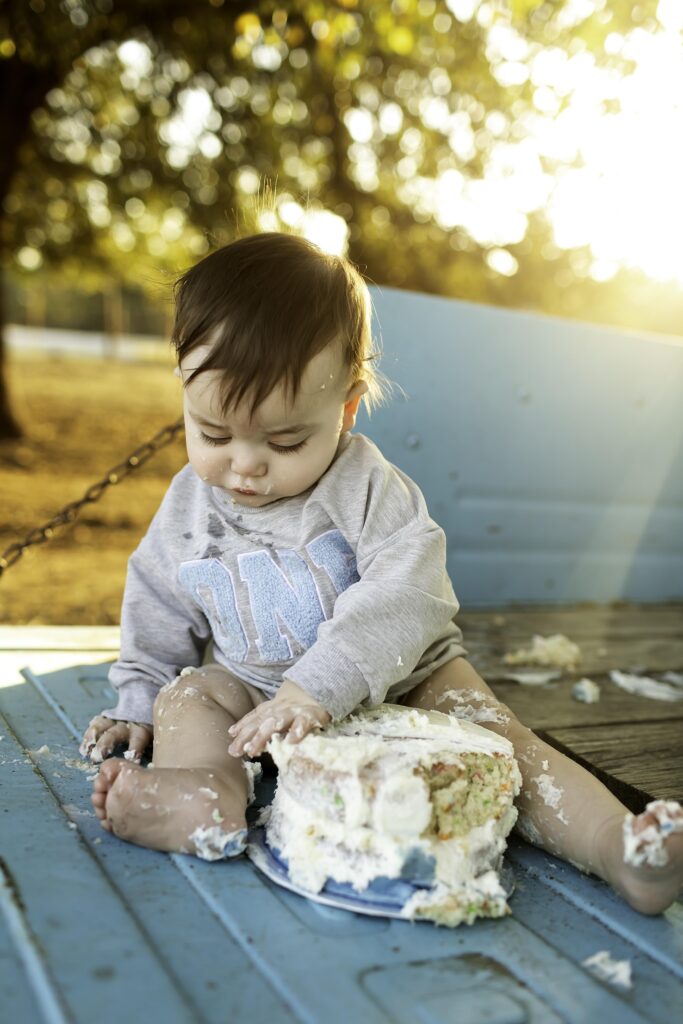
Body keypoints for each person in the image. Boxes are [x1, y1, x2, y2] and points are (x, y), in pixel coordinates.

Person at [81, 232, 683, 913]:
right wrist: (137, 701)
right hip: (255, 690)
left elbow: (410, 589)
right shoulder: (189, 508)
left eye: (284, 441)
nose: (244, 465)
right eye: (213, 433)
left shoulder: (365, 486)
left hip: (408, 679)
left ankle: (617, 846)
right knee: (187, 698)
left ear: (345, 407)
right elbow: (158, 601)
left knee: (503, 742)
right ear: (185, 390)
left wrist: (318, 687)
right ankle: (204, 798)